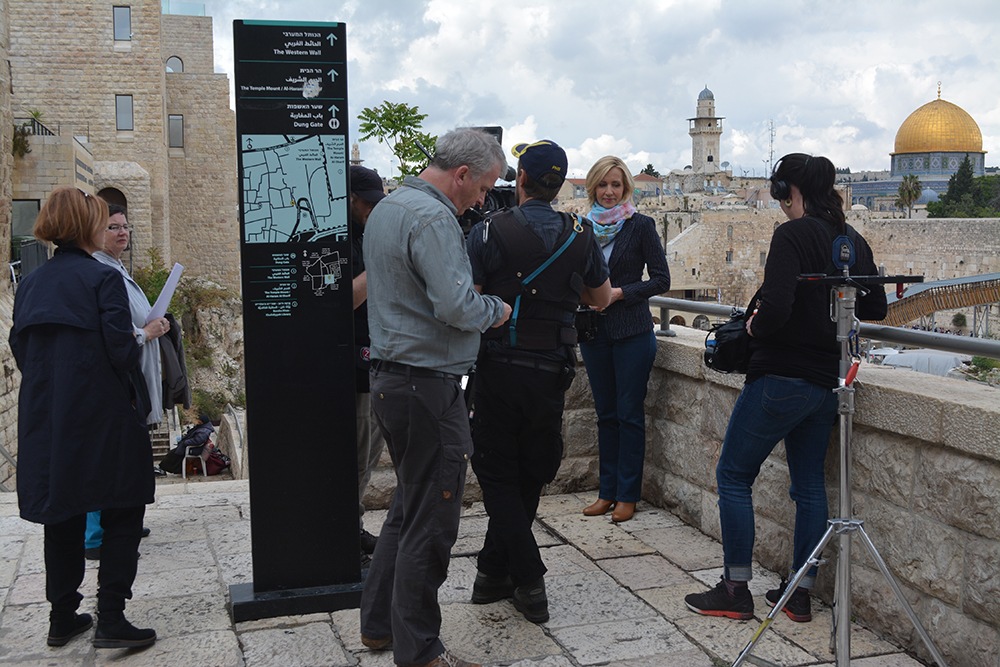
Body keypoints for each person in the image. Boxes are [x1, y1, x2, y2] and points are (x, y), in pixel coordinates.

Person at [684, 153, 888, 622]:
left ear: (786, 191)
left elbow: (774, 308)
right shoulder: (851, 239)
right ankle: (798, 593)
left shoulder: (791, 234)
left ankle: (735, 589)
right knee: (810, 486)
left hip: (781, 377)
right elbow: (875, 306)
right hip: (826, 384)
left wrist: (753, 331)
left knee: (734, 475)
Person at [358, 128, 512, 667]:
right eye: (485, 185)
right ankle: (420, 651)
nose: (486, 198)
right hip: (427, 386)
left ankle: (380, 625)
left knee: (408, 507)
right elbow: (455, 305)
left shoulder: (389, 207)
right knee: (433, 520)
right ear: (462, 174)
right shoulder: (433, 218)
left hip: (394, 381)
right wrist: (496, 309)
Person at [464, 139, 611, 624]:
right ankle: (490, 573)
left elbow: (472, 301)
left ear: (520, 179)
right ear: (561, 182)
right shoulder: (582, 232)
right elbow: (601, 298)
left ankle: (528, 578)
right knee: (531, 468)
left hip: (499, 367)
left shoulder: (489, 231)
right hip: (553, 369)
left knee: (497, 471)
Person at [9, 187, 158, 649]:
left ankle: (62, 616)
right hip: (101, 414)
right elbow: (121, 352)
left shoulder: (31, 283)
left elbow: (20, 349)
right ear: (85, 226)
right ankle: (111, 618)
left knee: (64, 513)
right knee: (123, 509)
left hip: (48, 416)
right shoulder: (101, 280)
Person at [578, 156, 670, 523]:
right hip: (594, 331)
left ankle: (627, 495)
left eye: (616, 185)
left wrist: (620, 293)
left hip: (631, 331)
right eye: (603, 185)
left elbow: (661, 279)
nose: (610, 192)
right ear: (593, 188)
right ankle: (607, 491)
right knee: (606, 415)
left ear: (626, 188)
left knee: (629, 415)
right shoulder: (582, 228)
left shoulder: (641, 226)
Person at [85, 203, 169, 559]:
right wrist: (146, 332)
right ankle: (95, 535)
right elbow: (110, 334)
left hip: (136, 374)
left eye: (125, 226)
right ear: (94, 232)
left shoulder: (116, 267)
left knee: (128, 457)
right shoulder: (99, 272)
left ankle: (124, 519)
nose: (122, 232)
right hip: (119, 381)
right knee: (106, 459)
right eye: (113, 227)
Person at [348, 165, 388, 561]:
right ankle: (343, 531)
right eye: (369, 204)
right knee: (358, 453)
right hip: (353, 365)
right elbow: (349, 299)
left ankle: (352, 523)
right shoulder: (344, 242)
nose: (374, 210)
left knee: (369, 452)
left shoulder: (365, 234)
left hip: (374, 358)